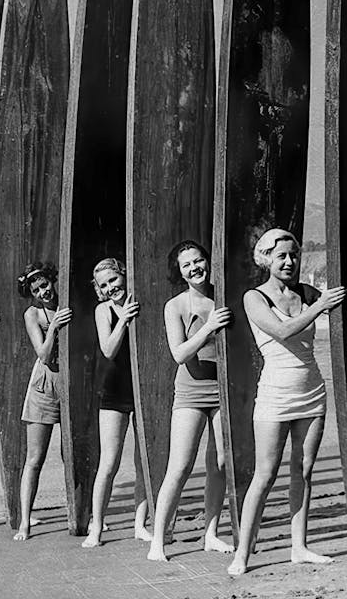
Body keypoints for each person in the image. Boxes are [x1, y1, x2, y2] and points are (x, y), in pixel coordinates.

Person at [227, 228, 345, 577]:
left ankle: (299, 546)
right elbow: (281, 331)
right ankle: (242, 553)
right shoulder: (254, 298)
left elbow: (337, 302)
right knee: (264, 475)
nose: (290, 261)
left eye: (294, 254)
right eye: (282, 256)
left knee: (303, 470)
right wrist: (320, 306)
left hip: (312, 389)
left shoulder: (307, 292)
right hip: (275, 394)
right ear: (266, 259)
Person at [147, 240, 233, 562]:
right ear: (180, 272)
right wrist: (209, 326)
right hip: (190, 392)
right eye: (187, 265)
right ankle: (158, 540)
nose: (195, 268)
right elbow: (179, 353)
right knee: (180, 466)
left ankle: (210, 533)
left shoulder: (223, 295)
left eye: (199, 261)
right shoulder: (176, 306)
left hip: (223, 391)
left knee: (221, 463)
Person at [82, 257, 150, 547]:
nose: (111, 287)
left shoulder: (141, 301)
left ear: (124, 275)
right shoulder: (104, 310)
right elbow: (108, 349)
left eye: (114, 280)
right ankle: (96, 526)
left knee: (143, 462)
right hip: (113, 389)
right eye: (104, 284)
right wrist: (123, 318)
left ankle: (139, 525)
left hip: (142, 386)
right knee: (109, 461)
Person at [13, 262, 71, 542]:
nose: (43, 292)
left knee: (69, 457)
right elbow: (44, 355)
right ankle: (25, 522)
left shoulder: (68, 300)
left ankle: (79, 513)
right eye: (36, 290)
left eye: (45, 285)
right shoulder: (33, 313)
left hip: (71, 387)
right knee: (34, 459)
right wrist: (54, 327)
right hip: (43, 387)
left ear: (52, 280)